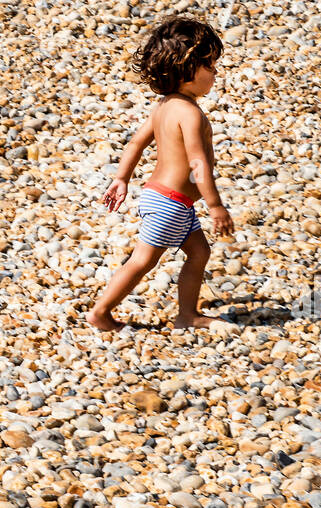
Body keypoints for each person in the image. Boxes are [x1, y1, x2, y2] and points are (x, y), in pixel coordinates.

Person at [87, 16, 236, 331]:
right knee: (143, 260)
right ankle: (100, 313)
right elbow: (198, 165)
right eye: (209, 66)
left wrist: (121, 178)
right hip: (170, 202)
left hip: (169, 200)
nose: (215, 72)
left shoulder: (164, 106)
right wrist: (215, 206)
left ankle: (187, 315)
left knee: (199, 252)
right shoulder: (191, 114)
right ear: (186, 71)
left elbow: (137, 143)